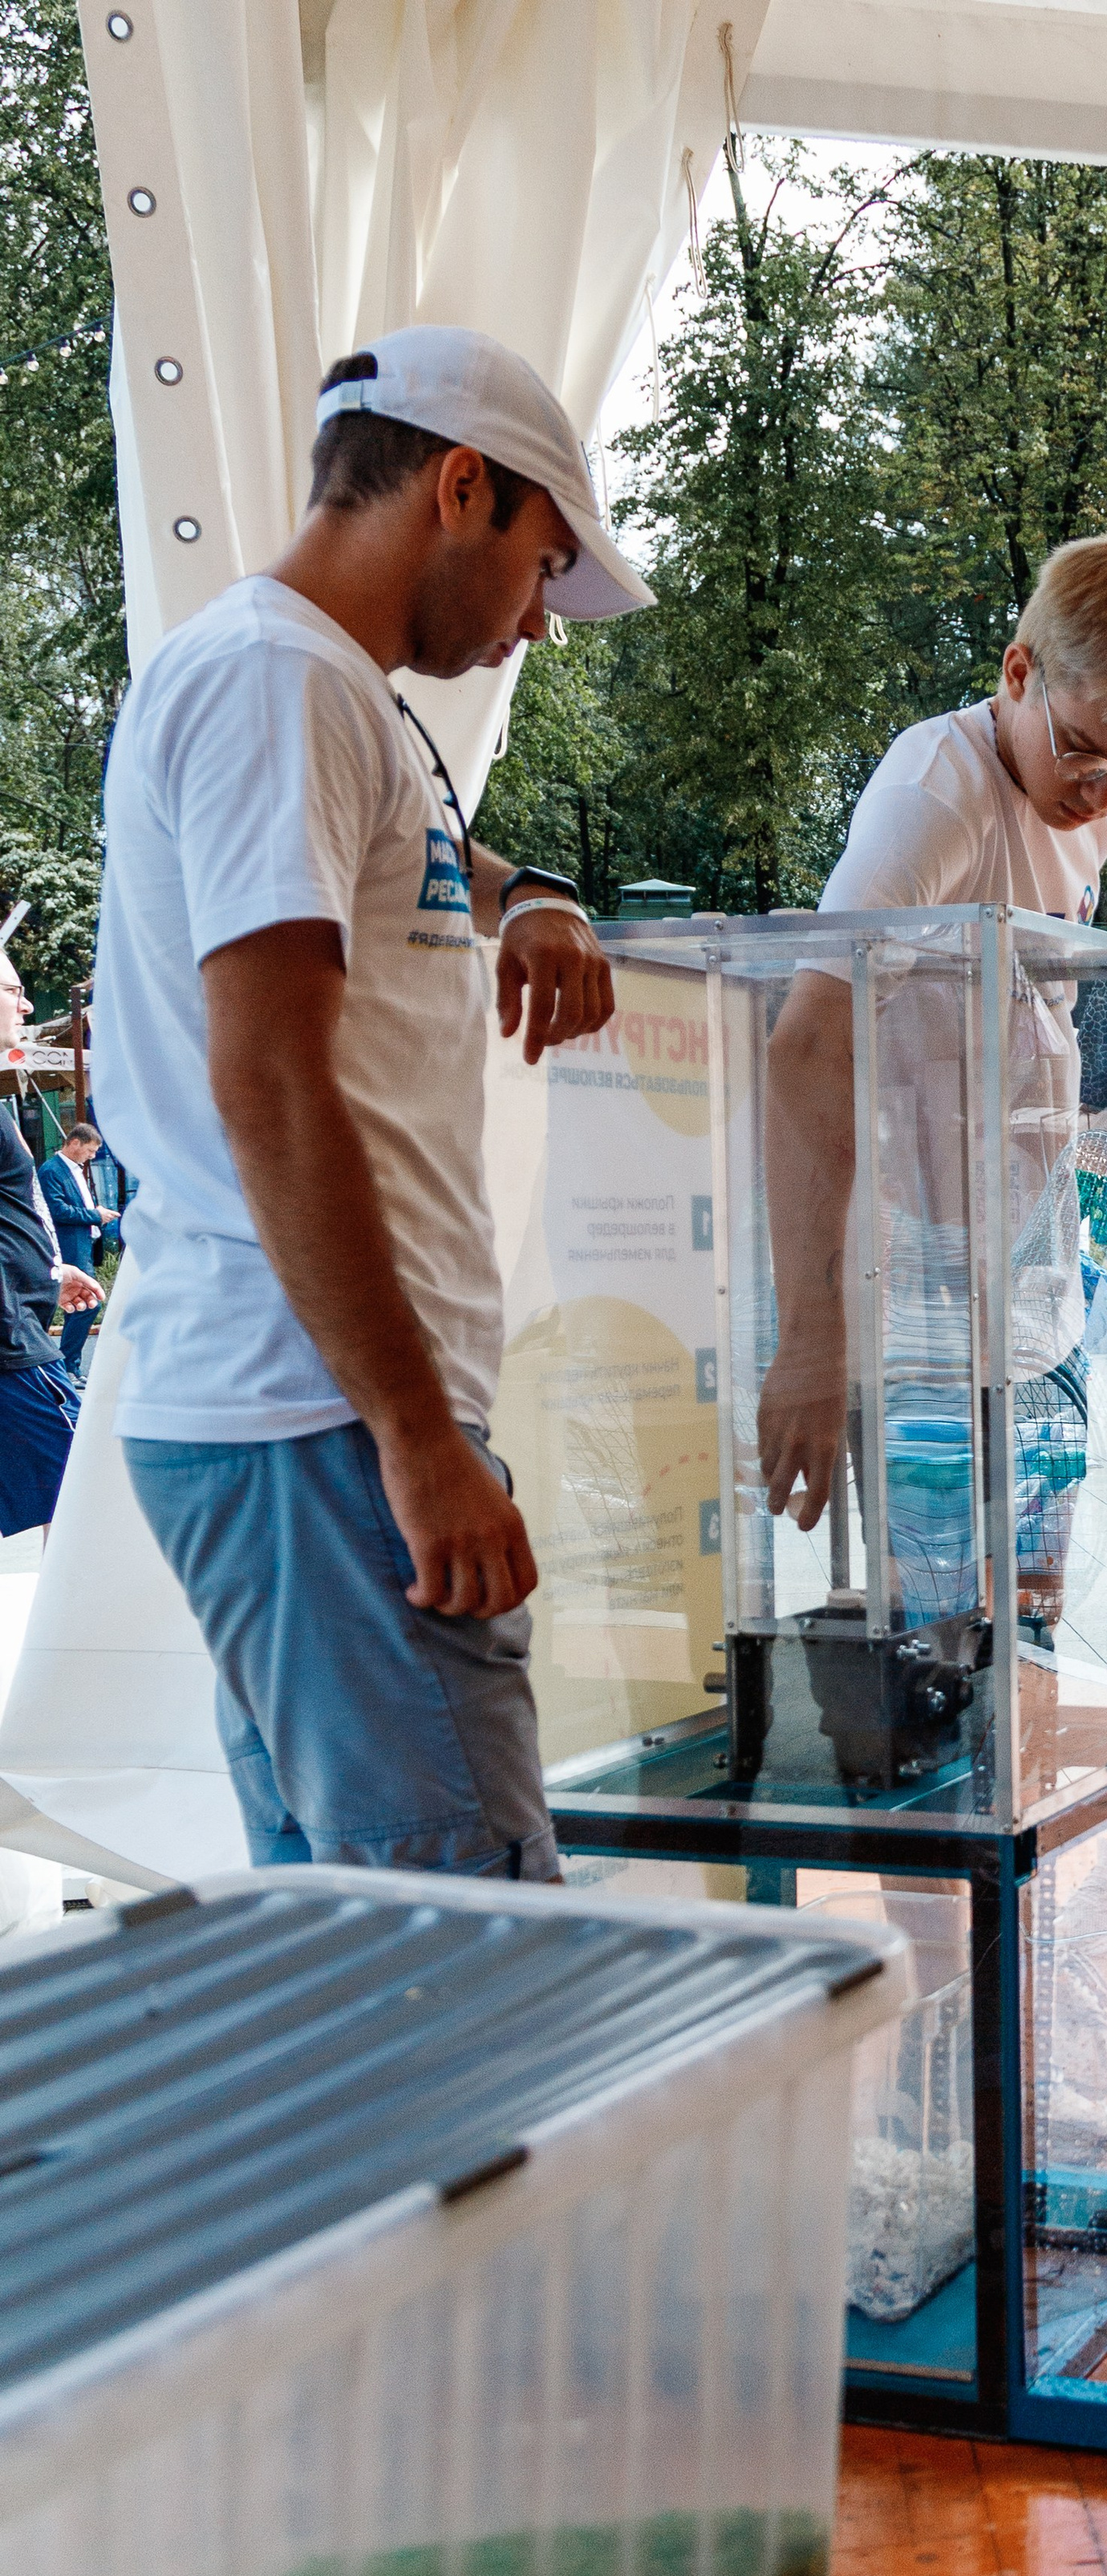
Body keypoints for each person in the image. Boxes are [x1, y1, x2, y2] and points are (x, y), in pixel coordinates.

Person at [92, 326, 650, 1875]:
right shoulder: (282, 684)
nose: (543, 624)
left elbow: (397, 861)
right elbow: (269, 1078)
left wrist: (527, 889)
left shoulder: (310, 686)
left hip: (299, 1414)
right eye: (544, 567)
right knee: (469, 1971)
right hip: (323, 1417)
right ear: (459, 486)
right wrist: (417, 1438)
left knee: (360, 1969)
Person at [754, 533, 1107, 2158]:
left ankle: (1010, 1991)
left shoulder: (1061, 812)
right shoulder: (939, 788)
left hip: (1029, 1305)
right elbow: (805, 1033)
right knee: (931, 1693)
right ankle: (947, 2048)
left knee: (1017, 1669)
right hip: (919, 1317)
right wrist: (814, 1341)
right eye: (1086, 752)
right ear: (1015, 675)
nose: (1104, 796)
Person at [0, 984, 100, 1538]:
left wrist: (48, 1273)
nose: (27, 1004)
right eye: (13, 988)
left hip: (16, 1337)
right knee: (83, 1503)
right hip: (12, 1350)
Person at [38, 1123, 118, 1371]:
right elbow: (58, 1210)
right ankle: (66, 1364)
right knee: (90, 1303)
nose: (93, 1156)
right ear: (75, 1143)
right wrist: (96, 1215)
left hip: (82, 1243)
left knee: (82, 1306)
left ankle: (67, 1364)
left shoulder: (72, 1170)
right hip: (69, 1247)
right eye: (90, 1151)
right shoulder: (52, 1170)